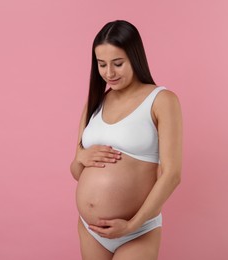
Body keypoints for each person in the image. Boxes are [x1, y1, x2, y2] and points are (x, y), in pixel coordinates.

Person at [70, 20, 182, 260]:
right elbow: (76, 171)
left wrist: (131, 225)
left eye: (118, 63)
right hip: (91, 231)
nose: (109, 73)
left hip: (137, 230)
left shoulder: (162, 100)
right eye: (102, 64)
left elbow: (172, 175)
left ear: (134, 57)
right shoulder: (95, 102)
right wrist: (81, 157)